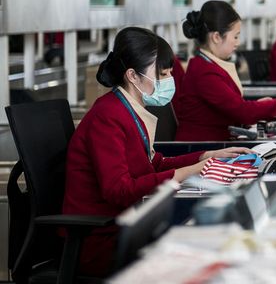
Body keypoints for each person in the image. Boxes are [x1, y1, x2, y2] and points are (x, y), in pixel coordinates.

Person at [63, 27, 250, 276]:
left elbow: (152, 163)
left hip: (128, 226)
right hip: (102, 239)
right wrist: (190, 172)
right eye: (162, 74)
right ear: (133, 75)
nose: (169, 80)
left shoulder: (129, 108)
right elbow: (118, 190)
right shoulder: (108, 116)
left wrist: (204, 157)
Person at [176, 1, 276, 141]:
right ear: (217, 37)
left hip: (215, 143)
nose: (237, 43)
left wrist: (261, 106)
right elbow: (243, 112)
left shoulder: (208, 65)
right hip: (200, 148)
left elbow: (233, 108)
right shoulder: (204, 72)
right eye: (235, 36)